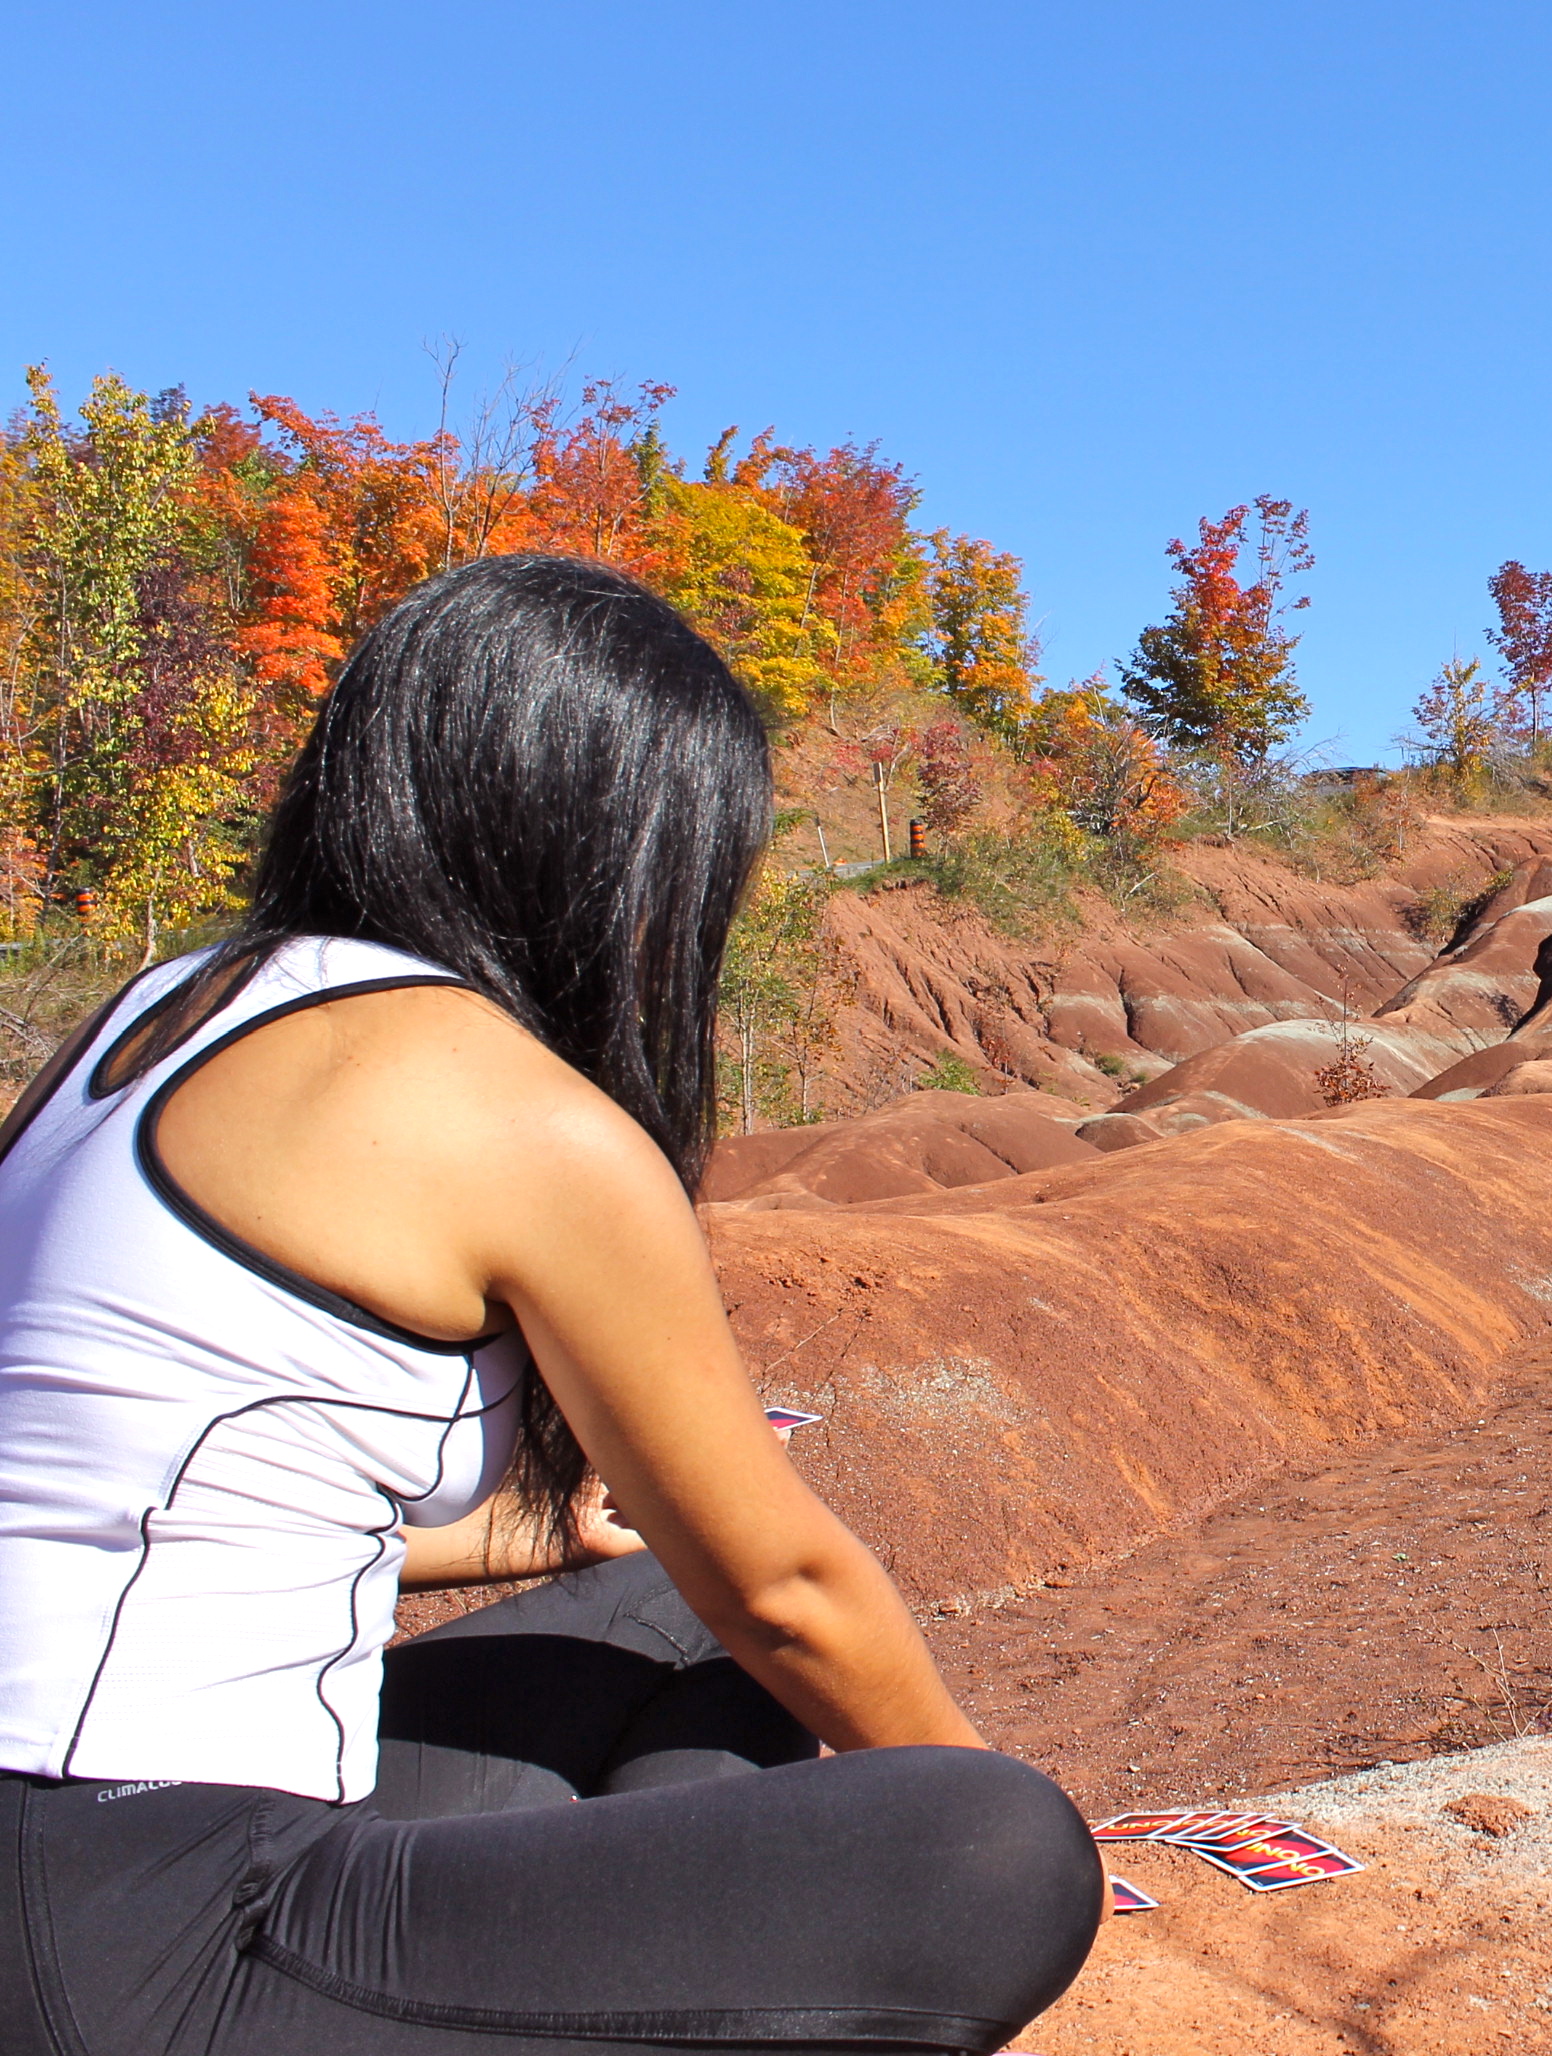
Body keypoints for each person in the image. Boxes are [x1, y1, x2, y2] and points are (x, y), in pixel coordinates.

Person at [0, 556, 1102, 2054]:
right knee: (995, 1851)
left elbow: (131, 1518)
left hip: (81, 1850)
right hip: (129, 1933)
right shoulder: (510, 1113)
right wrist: (947, 1792)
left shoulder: (153, 1022)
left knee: (654, 1609)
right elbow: (787, 1590)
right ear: (621, 854)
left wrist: (523, 1535)